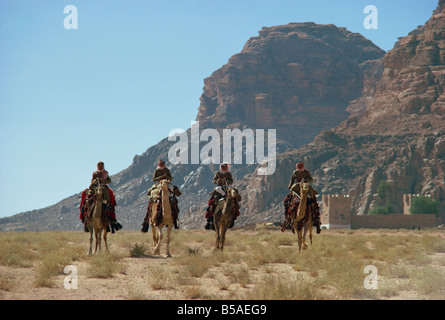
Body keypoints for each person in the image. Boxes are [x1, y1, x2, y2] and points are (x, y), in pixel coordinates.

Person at [80, 161, 121, 232]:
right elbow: (92, 181)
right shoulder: (95, 173)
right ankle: (87, 206)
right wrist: (96, 180)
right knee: (89, 192)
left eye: (101, 166)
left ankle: (105, 203)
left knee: (106, 191)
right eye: (99, 166)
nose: (100, 167)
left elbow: (109, 181)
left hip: (102, 185)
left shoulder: (105, 173)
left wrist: (104, 181)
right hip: (96, 186)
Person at [143, 160, 181, 231]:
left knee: (173, 200)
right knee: (154, 198)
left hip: (166, 184)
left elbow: (170, 178)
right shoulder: (156, 171)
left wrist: (166, 177)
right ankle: (152, 217)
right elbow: (154, 179)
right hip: (159, 185)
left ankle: (174, 219)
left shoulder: (167, 170)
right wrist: (161, 177)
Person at [287, 161, 321, 233]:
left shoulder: (306, 172)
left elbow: (311, 179)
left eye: (301, 168)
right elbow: (292, 180)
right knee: (289, 199)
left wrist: (305, 180)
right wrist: (290, 186)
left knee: (312, 198)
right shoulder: (295, 173)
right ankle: (289, 219)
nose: (300, 169)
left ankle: (315, 217)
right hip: (297, 187)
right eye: (299, 168)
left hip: (305, 186)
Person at [205, 163, 238, 230]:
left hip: (226, 187)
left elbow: (231, 181)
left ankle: (234, 211)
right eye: (223, 168)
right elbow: (214, 181)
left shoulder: (229, 174)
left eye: (225, 168)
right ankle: (210, 214)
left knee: (234, 194)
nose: (224, 169)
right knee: (214, 195)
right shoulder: (218, 174)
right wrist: (218, 180)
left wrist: (226, 181)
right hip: (219, 187)